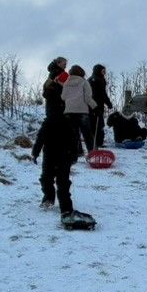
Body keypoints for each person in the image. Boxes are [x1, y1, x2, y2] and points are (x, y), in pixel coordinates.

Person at [35, 58, 81, 213]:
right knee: (47, 177)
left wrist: (75, 152)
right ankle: (49, 198)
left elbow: (75, 136)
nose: (65, 65)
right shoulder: (54, 81)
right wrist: (35, 151)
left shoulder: (69, 120)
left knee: (63, 181)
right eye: (63, 62)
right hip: (51, 146)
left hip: (64, 149)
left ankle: (66, 208)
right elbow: (41, 136)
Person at [62, 63, 92, 149]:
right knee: (87, 134)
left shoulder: (66, 83)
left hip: (69, 112)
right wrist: (95, 107)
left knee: (73, 134)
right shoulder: (84, 82)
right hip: (82, 111)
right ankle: (92, 152)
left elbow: (63, 97)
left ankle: (75, 153)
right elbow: (88, 98)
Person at [88, 63, 112, 150]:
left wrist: (107, 103)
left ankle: (98, 142)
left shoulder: (99, 79)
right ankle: (96, 143)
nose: (104, 72)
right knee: (96, 125)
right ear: (98, 71)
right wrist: (107, 103)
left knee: (98, 124)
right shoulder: (94, 80)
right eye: (103, 71)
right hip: (94, 106)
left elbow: (103, 94)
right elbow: (100, 94)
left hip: (97, 106)